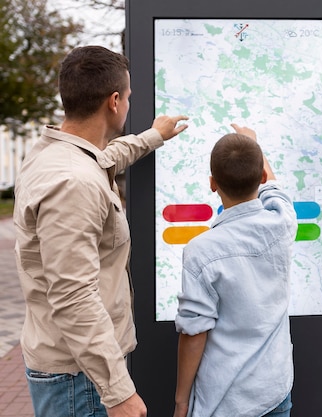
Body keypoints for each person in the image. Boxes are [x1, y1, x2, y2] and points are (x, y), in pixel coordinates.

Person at [13, 45, 188, 417]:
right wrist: (118, 391)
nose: (127, 104)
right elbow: (73, 294)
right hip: (82, 380)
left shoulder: (59, 155)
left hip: (77, 367)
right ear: (114, 101)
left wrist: (154, 136)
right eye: (127, 97)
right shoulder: (73, 183)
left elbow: (105, 158)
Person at [173, 124, 298, 417]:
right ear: (263, 176)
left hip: (225, 399)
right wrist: (254, 145)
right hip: (274, 392)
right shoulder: (282, 223)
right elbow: (275, 190)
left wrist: (181, 401)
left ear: (212, 183)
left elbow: (194, 332)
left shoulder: (200, 250)